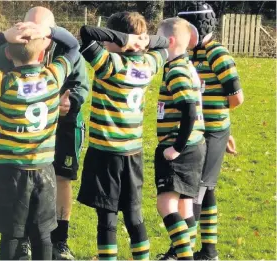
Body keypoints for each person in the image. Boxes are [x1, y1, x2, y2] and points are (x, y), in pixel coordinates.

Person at [0, 22, 79, 260]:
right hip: (44, 171)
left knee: (11, 235)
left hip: (11, 172)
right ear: (43, 54)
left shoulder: (4, 82)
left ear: (7, 54)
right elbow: (73, 46)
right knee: (43, 234)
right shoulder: (52, 77)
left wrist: (2, 36)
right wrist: (49, 31)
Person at [0, 7, 89, 259]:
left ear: (50, 33)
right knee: (19, 184)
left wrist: (71, 102)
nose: (31, 34)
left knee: (61, 177)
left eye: (40, 30)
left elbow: (81, 84)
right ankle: (22, 240)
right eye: (27, 27)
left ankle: (60, 240)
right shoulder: (8, 49)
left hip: (64, 124)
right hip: (17, 131)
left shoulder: (61, 52)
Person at [77, 12, 169, 260]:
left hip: (105, 152)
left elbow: (85, 34)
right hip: (132, 154)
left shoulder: (109, 65)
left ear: (117, 40)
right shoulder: (149, 65)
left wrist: (126, 39)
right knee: (133, 213)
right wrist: (144, 40)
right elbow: (165, 44)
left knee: (106, 216)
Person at [178, 2, 244, 260]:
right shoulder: (192, 54)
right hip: (199, 132)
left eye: (186, 29)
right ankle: (208, 251)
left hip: (213, 132)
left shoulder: (218, 54)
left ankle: (180, 250)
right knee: (207, 189)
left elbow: (236, 98)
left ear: (199, 28)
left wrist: (220, 126)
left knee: (196, 191)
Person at [153, 17, 206, 260]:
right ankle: (182, 254)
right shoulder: (187, 64)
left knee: (165, 205)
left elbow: (190, 110)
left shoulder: (176, 70)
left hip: (181, 147)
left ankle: (184, 257)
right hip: (196, 146)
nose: (154, 42)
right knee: (185, 205)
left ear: (169, 41)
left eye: (158, 37)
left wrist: (176, 147)